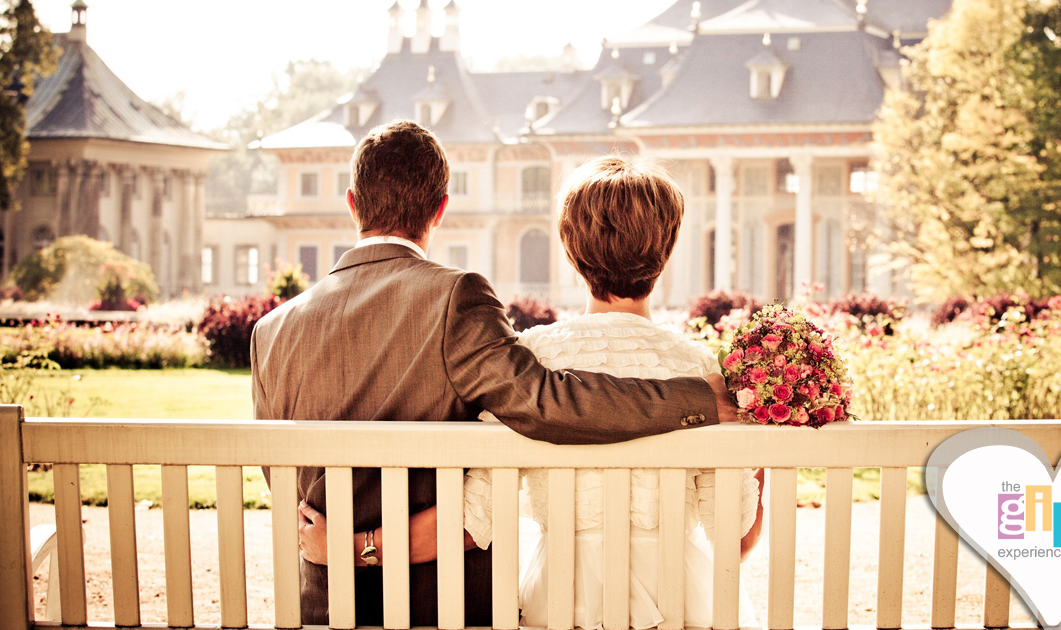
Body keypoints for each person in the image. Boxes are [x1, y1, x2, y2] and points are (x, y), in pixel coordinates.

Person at [252, 120, 738, 627]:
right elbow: (544, 402)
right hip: (441, 607)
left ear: (352, 203)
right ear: (441, 208)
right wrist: (699, 400)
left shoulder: (270, 330)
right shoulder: (454, 297)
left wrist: (349, 547)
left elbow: (282, 481)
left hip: (322, 605)